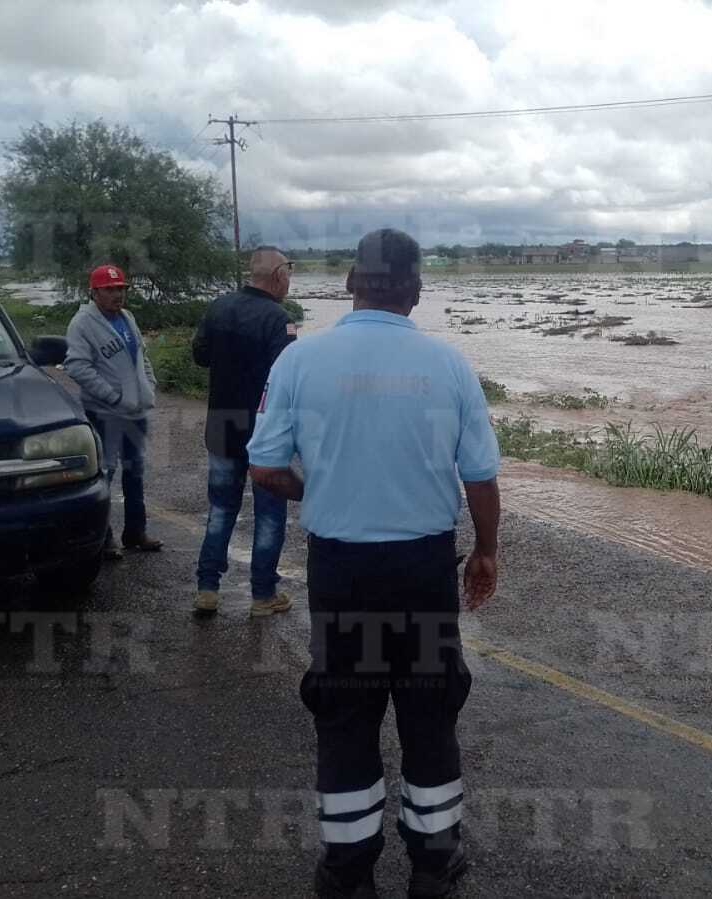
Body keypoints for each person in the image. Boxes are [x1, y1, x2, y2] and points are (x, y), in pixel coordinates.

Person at [247, 228, 500, 899]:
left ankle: (348, 871)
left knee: (346, 714)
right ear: (414, 292)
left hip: (341, 573)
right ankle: (433, 865)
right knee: (429, 710)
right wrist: (487, 549)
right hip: (421, 571)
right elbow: (478, 476)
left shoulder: (299, 362)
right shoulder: (448, 366)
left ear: (351, 284)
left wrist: (319, 487)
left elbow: (266, 467)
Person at [190, 247, 297, 616]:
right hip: (264, 433)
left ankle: (207, 588)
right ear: (278, 275)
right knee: (268, 515)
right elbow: (288, 380)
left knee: (220, 509)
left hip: (221, 425)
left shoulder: (218, 307)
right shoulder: (279, 319)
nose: (290, 280)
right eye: (290, 272)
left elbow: (200, 355)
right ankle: (262, 594)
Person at [63, 263, 162, 559]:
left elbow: (141, 356)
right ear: (94, 292)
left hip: (136, 411)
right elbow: (76, 366)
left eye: (121, 289)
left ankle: (135, 532)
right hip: (104, 413)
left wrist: (149, 386)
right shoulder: (82, 324)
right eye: (110, 289)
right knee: (104, 473)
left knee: (135, 472)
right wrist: (113, 397)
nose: (118, 294)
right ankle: (104, 538)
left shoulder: (127, 317)